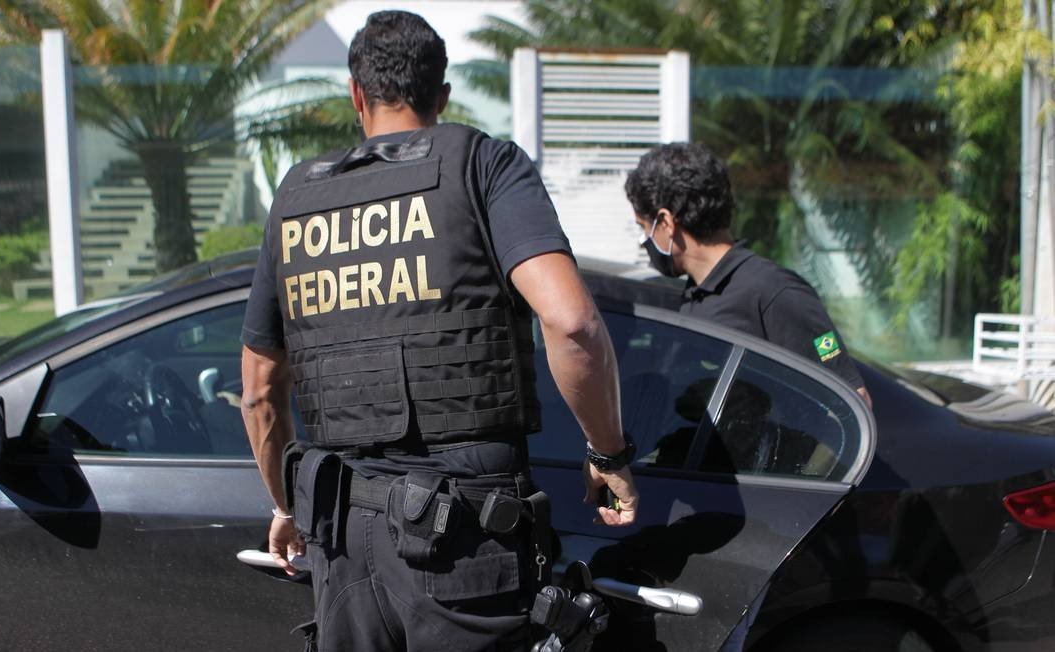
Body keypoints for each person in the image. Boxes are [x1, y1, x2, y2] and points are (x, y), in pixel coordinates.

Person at [240, 10, 638, 651]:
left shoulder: (296, 198)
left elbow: (260, 391)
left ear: (356, 94)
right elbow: (572, 324)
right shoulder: (483, 163)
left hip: (342, 542)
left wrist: (287, 507)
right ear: (442, 95)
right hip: (465, 543)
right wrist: (607, 453)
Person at [624, 142, 872, 407]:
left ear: (665, 223)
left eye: (644, 227)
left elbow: (853, 400)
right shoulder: (696, 293)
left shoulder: (775, 292)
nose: (644, 240)